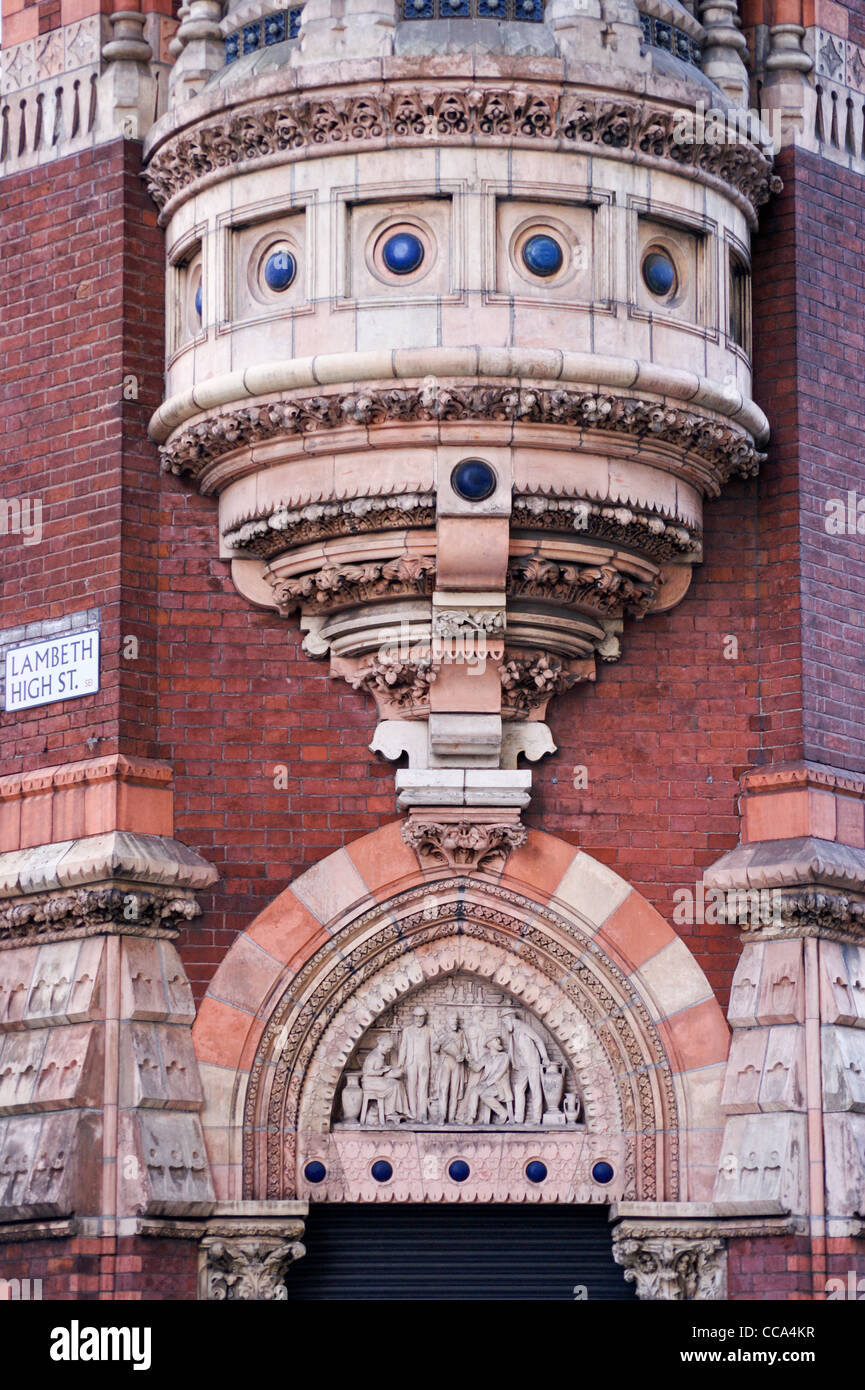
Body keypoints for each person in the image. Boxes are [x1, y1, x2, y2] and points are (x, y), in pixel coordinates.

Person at [501, 1008, 549, 1123]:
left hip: (532, 1062)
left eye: (504, 1022)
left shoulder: (523, 1027)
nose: (504, 1025)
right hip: (522, 1065)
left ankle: (537, 1118)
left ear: (509, 1019)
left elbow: (538, 1040)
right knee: (518, 1089)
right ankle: (518, 1118)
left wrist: (545, 1056)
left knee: (535, 1089)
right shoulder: (513, 1032)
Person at [461, 1035, 514, 1124]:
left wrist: (486, 1084)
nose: (498, 1041)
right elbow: (476, 1068)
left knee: (485, 1094)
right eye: (495, 1039)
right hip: (488, 1085)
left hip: (500, 1086)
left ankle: (503, 1114)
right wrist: (469, 1060)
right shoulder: (486, 1056)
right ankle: (470, 1118)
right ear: (489, 1044)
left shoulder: (503, 1057)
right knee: (474, 1090)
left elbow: (499, 1073)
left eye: (498, 1039)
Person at [398, 1006, 433, 1121]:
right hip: (411, 1062)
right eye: (417, 1016)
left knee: (423, 1087)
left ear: (424, 1017)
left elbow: (433, 1048)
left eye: (421, 1016)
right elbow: (403, 1048)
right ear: (413, 1017)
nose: (419, 1019)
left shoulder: (429, 1030)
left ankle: (422, 1114)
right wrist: (400, 1064)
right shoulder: (407, 1031)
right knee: (411, 1087)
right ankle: (413, 1113)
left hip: (424, 1062)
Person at [360, 1034, 406, 1124]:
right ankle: (389, 1111)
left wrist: (389, 1070)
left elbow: (381, 1068)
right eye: (388, 1048)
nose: (389, 1051)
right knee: (394, 1085)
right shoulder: (373, 1056)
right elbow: (367, 1072)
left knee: (397, 1083)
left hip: (375, 1080)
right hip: (369, 1082)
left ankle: (393, 1110)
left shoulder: (380, 1055)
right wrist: (382, 1071)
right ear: (382, 1045)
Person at [433, 1013, 467, 1123]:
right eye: (452, 1019)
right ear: (447, 1020)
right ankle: (442, 1116)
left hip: (457, 1064)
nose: (454, 1022)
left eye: (456, 1020)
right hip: (445, 1062)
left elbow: (466, 1048)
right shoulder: (442, 1033)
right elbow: (434, 1048)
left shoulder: (461, 1033)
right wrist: (438, 1043)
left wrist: (463, 1055)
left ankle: (452, 1117)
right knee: (444, 1088)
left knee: (455, 1090)